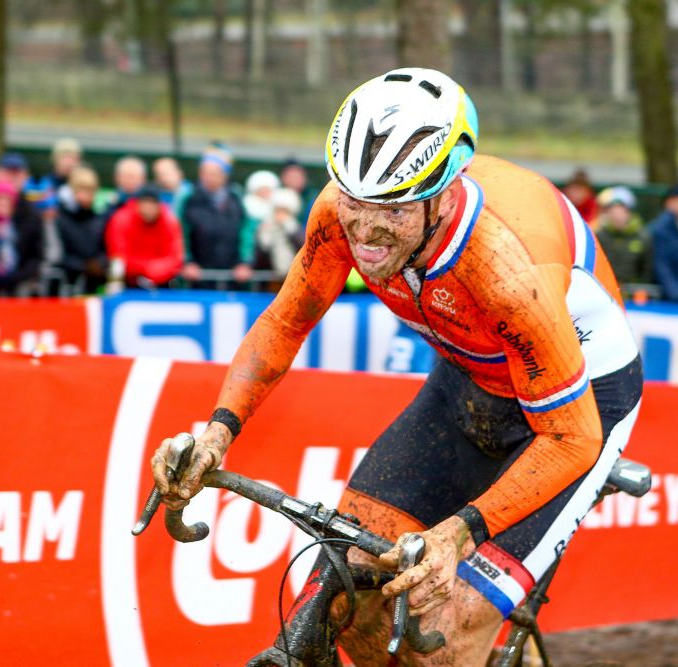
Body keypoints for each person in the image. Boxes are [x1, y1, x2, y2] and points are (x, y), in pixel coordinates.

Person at [149, 68, 643, 664]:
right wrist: (217, 432)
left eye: (394, 208)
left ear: (445, 192)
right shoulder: (337, 213)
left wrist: (458, 533)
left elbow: (570, 436)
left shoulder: (507, 270)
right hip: (468, 382)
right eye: (356, 199)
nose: (367, 229)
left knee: (444, 636)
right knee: (345, 598)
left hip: (580, 407)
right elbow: (285, 322)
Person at [180, 148, 250, 286]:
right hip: (197, 277)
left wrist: (244, 262)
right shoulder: (188, 198)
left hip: (232, 276)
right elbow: (181, 233)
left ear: (225, 176)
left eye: (215, 174)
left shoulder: (236, 198)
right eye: (206, 173)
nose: (210, 178)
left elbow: (246, 232)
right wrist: (188, 262)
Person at [0, 180, 44, 296]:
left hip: (15, 286)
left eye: (6, 205)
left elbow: (34, 257)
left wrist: (16, 277)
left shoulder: (20, 228)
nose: (1, 209)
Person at [105, 184, 183, 288]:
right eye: (145, 202)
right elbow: (118, 257)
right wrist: (148, 268)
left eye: (153, 203)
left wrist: (155, 272)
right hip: (128, 282)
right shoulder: (121, 220)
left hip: (162, 283)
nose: (149, 207)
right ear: (138, 203)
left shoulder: (169, 222)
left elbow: (175, 259)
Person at [55, 166, 107, 293]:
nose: (87, 196)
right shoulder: (60, 218)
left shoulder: (99, 219)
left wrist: (99, 263)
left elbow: (104, 249)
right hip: (67, 284)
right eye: (82, 190)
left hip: (93, 285)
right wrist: (83, 266)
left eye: (91, 191)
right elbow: (58, 254)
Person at [593, 186, 651, 285]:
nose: (617, 214)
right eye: (612, 210)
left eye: (621, 209)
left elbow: (647, 268)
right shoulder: (599, 236)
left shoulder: (642, 237)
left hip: (634, 292)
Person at [253, 187, 304, 279]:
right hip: (270, 278)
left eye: (284, 210)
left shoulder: (295, 227)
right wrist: (264, 235)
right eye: (278, 210)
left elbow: (303, 246)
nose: (280, 214)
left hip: (294, 276)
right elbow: (260, 254)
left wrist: (289, 227)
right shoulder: (266, 226)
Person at [105, 155, 148, 221]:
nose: (129, 180)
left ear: (143, 178)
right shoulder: (108, 201)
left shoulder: (150, 203)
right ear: (117, 177)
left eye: (133, 176)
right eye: (126, 176)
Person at [152, 157, 193, 222]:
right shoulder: (154, 196)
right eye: (160, 174)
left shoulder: (192, 193)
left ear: (179, 173)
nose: (164, 177)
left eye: (167, 173)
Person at [280, 158, 318, 227]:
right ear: (283, 178)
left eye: (298, 176)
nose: (295, 180)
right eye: (292, 176)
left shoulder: (314, 199)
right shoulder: (276, 198)